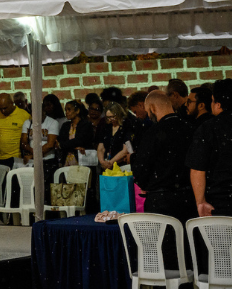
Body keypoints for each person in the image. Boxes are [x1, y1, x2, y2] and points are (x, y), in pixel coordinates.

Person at [131, 91, 197, 228]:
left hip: (160, 203)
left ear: (153, 108)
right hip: (189, 200)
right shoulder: (191, 129)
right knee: (188, 246)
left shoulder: (152, 133)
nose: (149, 115)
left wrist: (145, 184)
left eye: (149, 111)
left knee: (163, 248)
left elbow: (141, 168)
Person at [188, 78, 232, 216]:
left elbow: (197, 169)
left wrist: (200, 202)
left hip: (219, 203)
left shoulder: (208, 128)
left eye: (212, 101)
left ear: (218, 104)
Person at [0, 93, 30, 168]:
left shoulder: (24, 115)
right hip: (0, 157)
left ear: (12, 103)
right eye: (0, 108)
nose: (3, 111)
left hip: (16, 157)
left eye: (5, 108)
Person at [59, 99, 95, 164]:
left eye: (69, 110)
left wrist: (64, 145)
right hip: (67, 159)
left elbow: (80, 140)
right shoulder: (65, 126)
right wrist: (74, 147)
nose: (66, 112)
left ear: (77, 111)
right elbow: (60, 141)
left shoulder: (86, 124)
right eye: (65, 110)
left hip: (82, 159)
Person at [98, 103, 132, 171]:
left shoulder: (127, 126)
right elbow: (101, 147)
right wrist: (102, 162)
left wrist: (111, 162)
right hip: (106, 164)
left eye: (112, 117)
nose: (110, 119)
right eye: (108, 117)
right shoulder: (106, 126)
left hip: (121, 165)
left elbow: (126, 149)